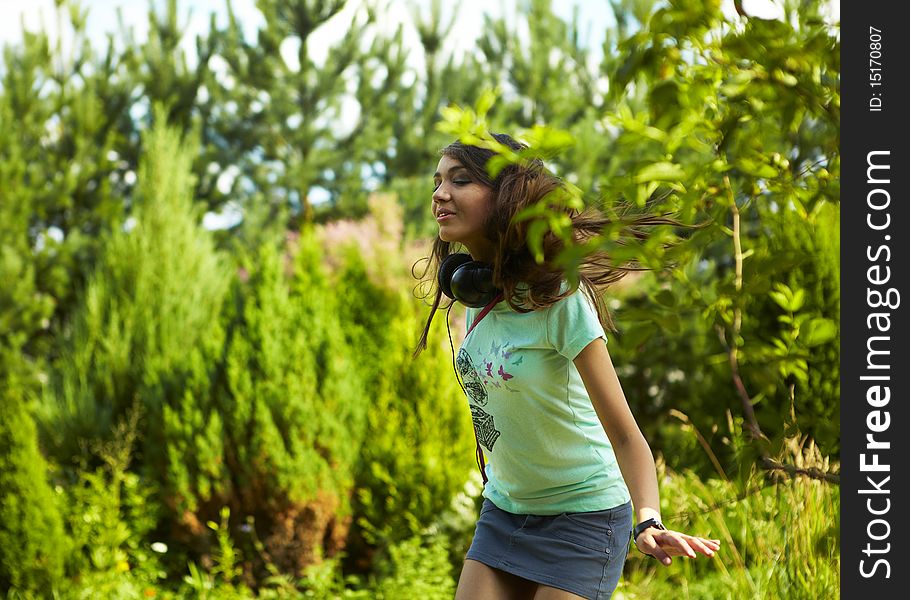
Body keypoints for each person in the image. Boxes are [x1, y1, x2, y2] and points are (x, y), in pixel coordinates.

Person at [413, 133, 720, 600]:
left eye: (460, 180)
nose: (440, 194)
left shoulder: (560, 300)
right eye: (437, 181)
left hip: (584, 517)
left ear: (505, 197)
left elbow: (624, 434)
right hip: (505, 510)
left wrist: (648, 519)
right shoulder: (478, 298)